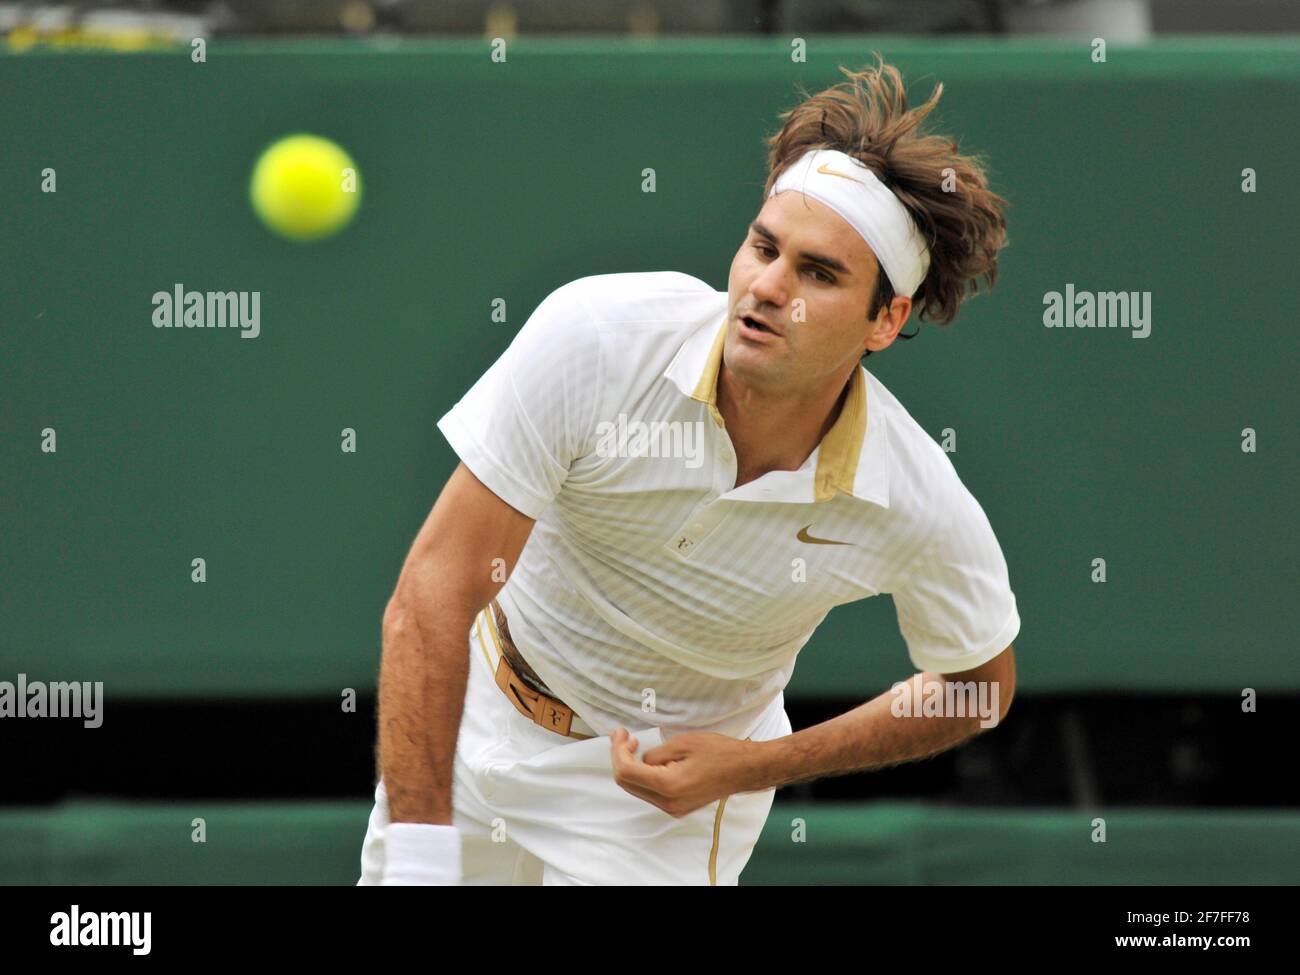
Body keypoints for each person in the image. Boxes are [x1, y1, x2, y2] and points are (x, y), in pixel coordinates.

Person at [359, 56, 1019, 886]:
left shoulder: (914, 496)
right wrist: (423, 858)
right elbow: (433, 590)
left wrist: (756, 763)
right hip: (473, 717)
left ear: (884, 320)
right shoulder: (596, 337)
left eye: (818, 273)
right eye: (763, 247)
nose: (767, 287)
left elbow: (978, 687)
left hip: (659, 814)